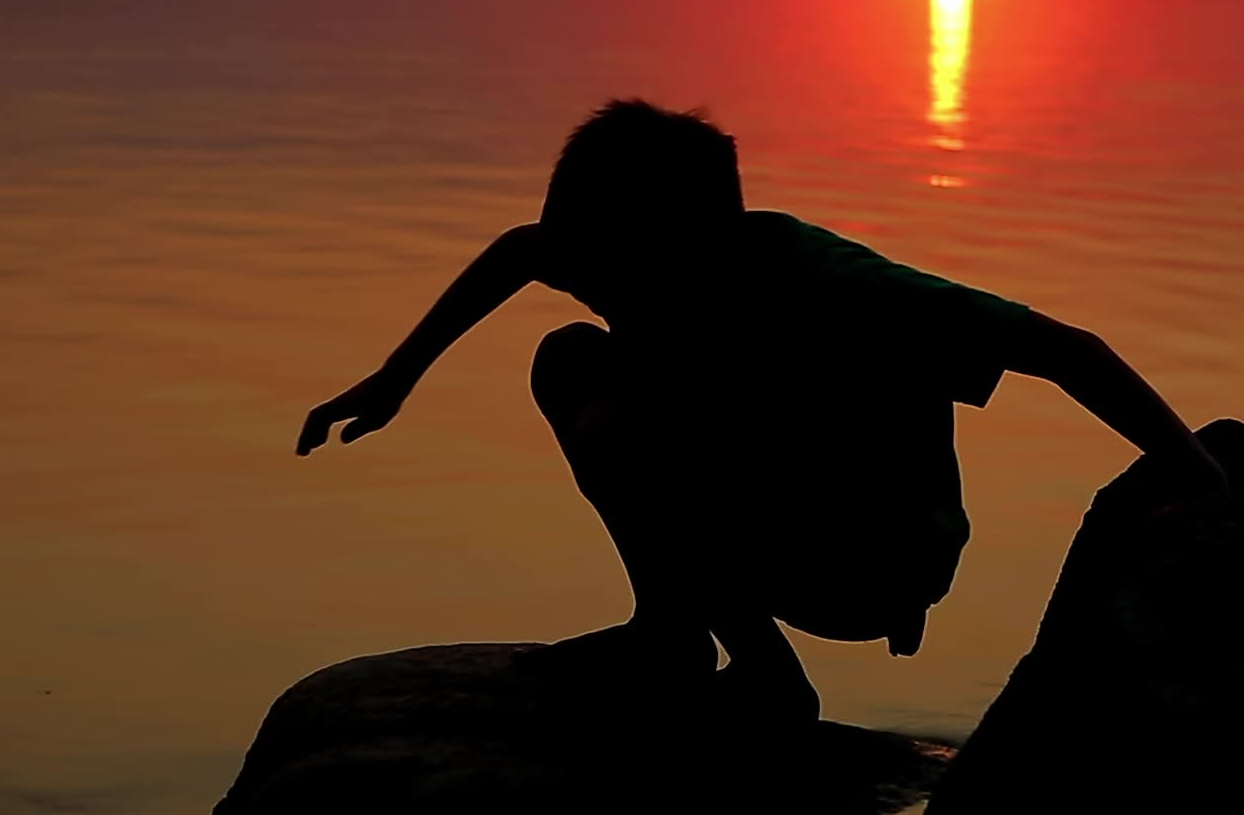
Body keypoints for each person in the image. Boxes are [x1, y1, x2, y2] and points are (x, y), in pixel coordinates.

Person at [296, 100, 1229, 721]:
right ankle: (674, 635)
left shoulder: (830, 287)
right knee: (571, 361)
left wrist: (1204, 480)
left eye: (619, 268)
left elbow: (1069, 351)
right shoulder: (626, 254)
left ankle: (766, 681)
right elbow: (520, 251)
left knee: (629, 416)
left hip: (872, 552)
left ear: (698, 239)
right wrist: (394, 379)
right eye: (590, 264)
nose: (598, 283)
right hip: (752, 501)